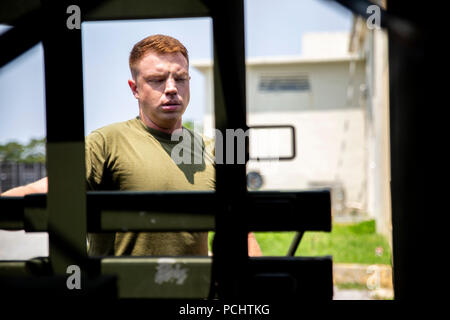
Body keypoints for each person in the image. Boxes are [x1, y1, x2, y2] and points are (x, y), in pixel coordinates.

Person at [1, 34, 262, 257]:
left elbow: (243, 231)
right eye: (157, 80)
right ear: (135, 88)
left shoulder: (214, 149)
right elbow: (46, 190)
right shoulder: (106, 143)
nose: (171, 88)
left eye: (180, 78)